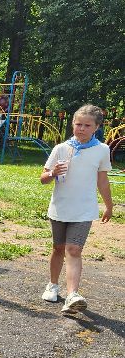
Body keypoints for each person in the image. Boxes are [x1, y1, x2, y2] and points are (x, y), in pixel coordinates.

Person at [40, 104, 113, 315]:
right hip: (60, 207)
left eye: (87, 125)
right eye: (78, 124)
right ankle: (52, 285)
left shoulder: (102, 150)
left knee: (74, 250)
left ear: (96, 127)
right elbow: (43, 179)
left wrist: (109, 205)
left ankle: (72, 295)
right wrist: (52, 173)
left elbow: (103, 181)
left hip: (84, 210)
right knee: (58, 248)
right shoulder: (61, 149)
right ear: (73, 124)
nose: (81, 128)